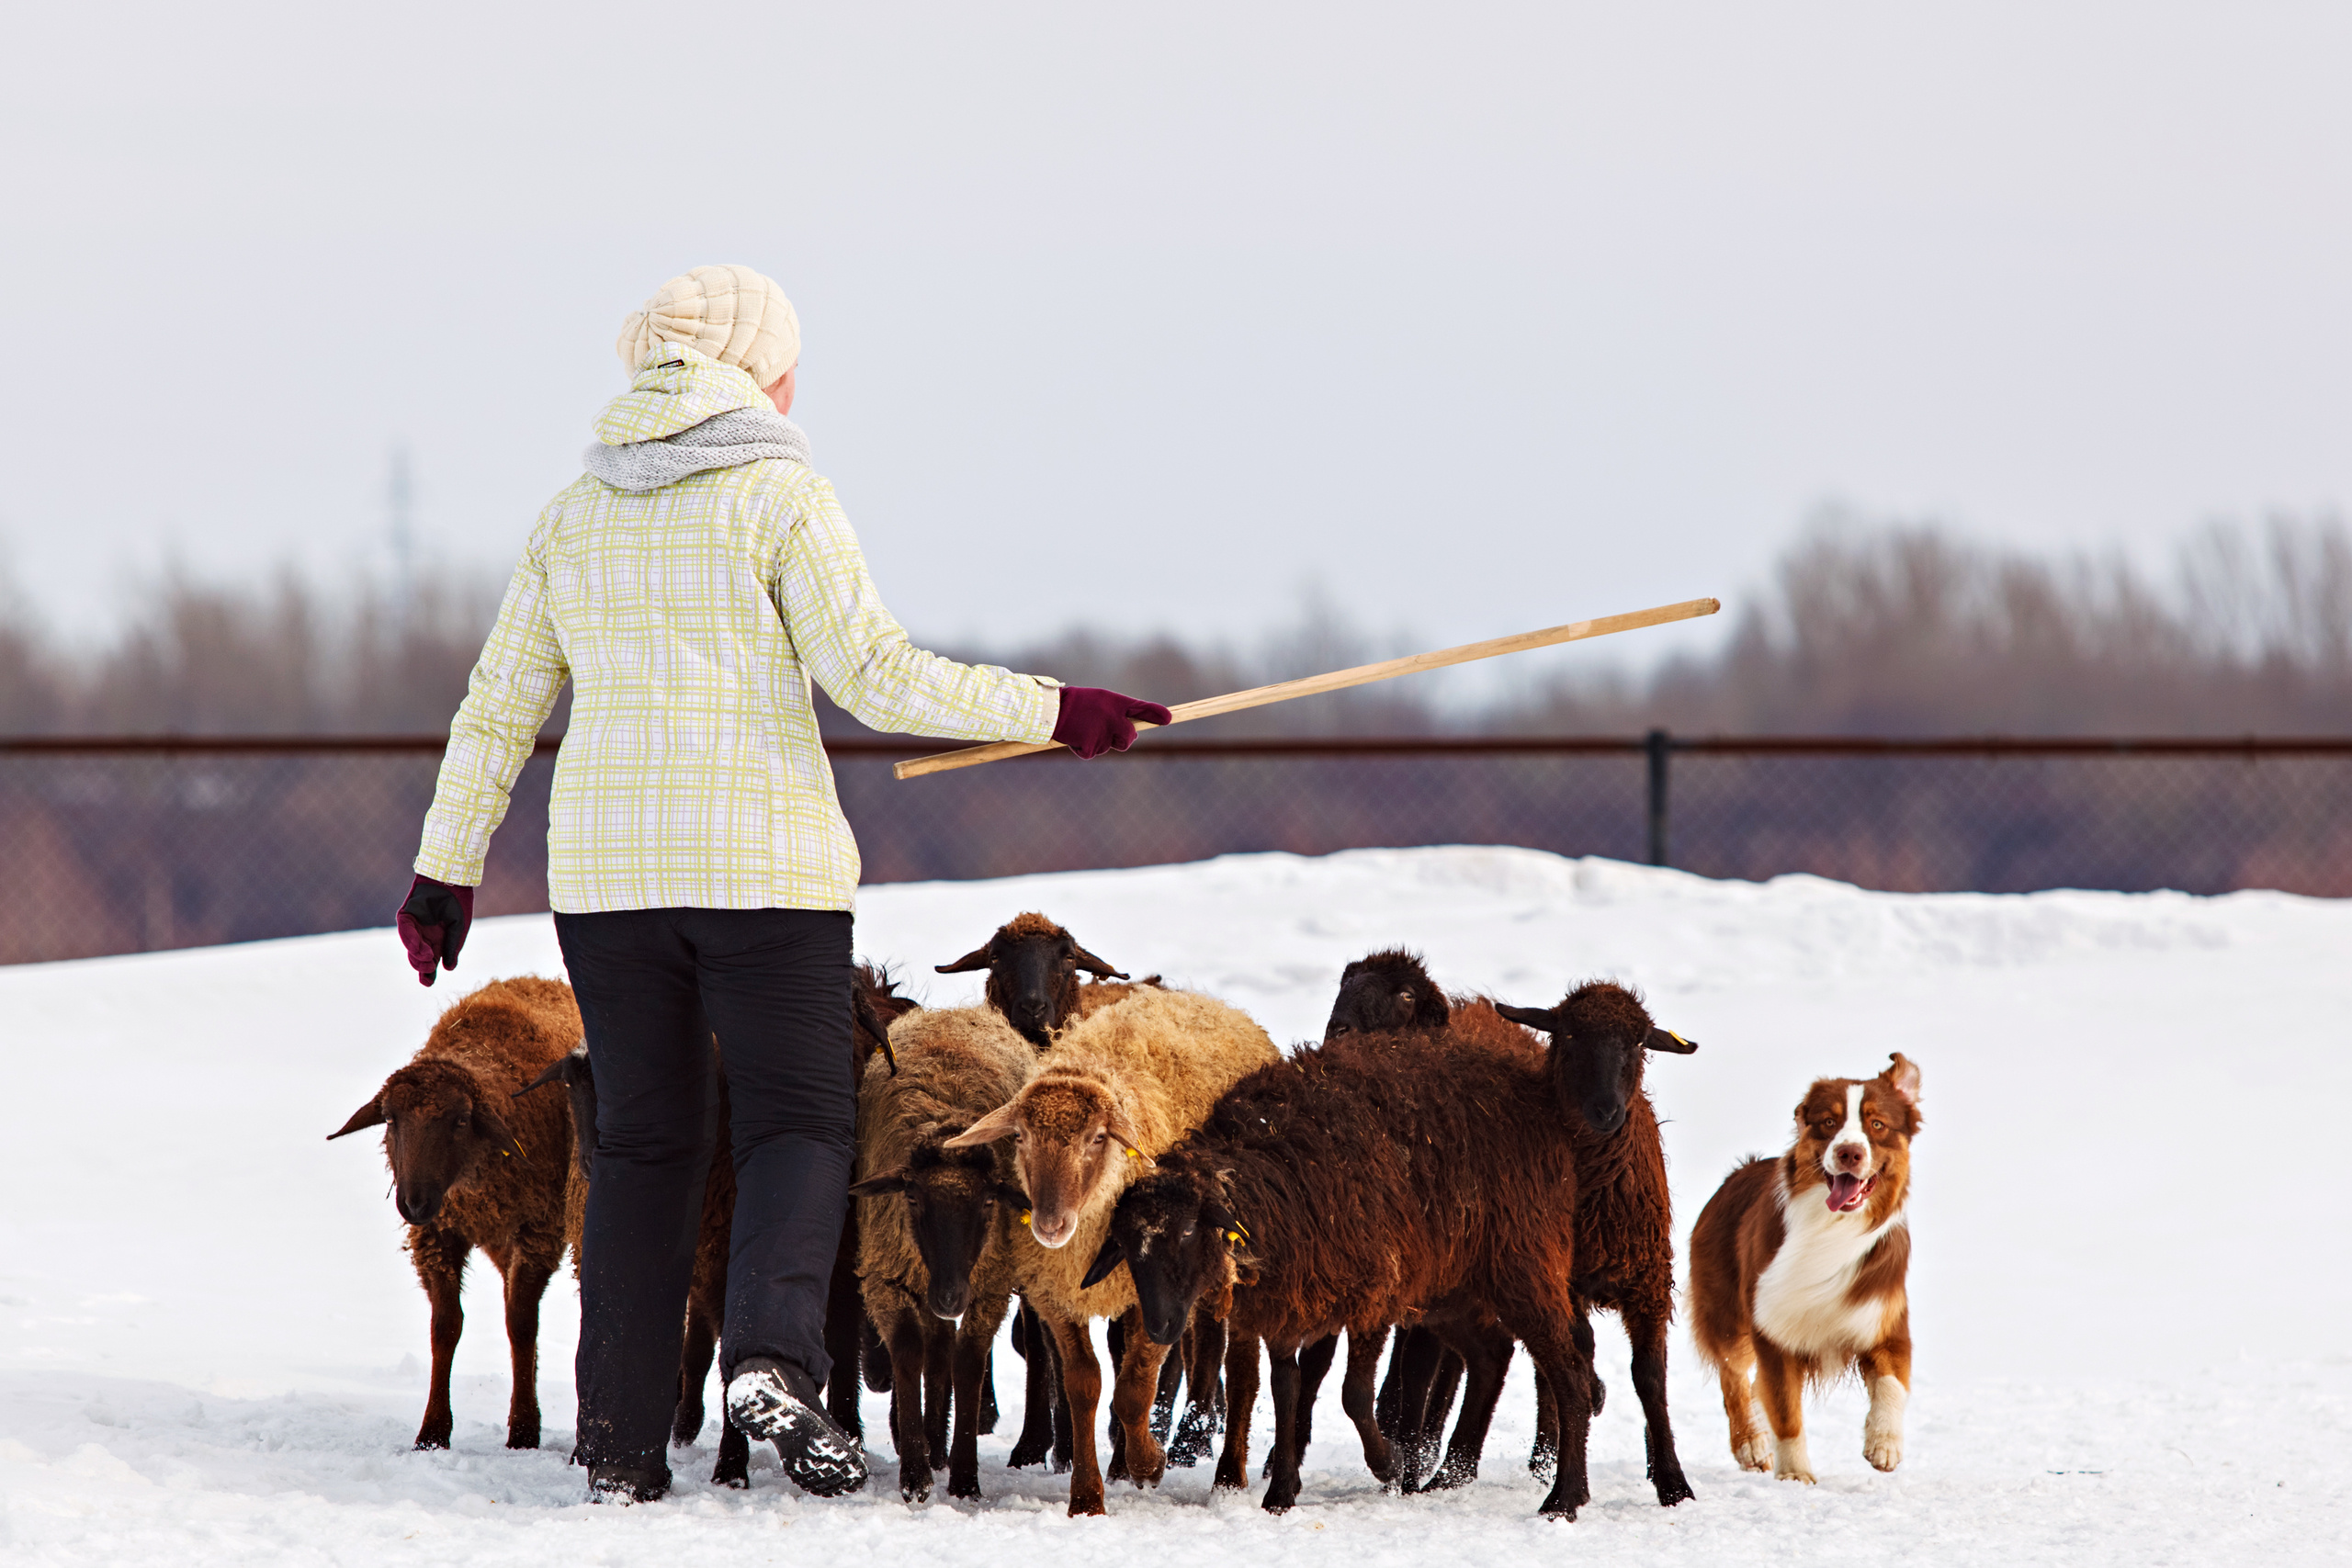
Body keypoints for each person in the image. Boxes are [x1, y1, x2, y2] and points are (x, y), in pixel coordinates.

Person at [395, 265, 1168, 1503]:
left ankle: (620, 1437)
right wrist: (1053, 709)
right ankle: (770, 1358)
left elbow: (497, 706)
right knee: (797, 1125)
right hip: (765, 873)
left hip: (610, 882)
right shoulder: (780, 494)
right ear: (756, 368)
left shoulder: (572, 515)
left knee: (640, 1144)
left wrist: (446, 868)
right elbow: (875, 671)